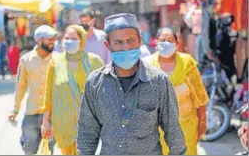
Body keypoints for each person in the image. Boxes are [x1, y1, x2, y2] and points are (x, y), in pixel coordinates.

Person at [77, 13, 187, 155]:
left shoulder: (159, 81)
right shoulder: (95, 82)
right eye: (118, 42)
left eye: (131, 40)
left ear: (140, 40)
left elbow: (174, 132)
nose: (126, 47)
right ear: (107, 45)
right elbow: (87, 132)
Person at [143, 27, 209, 155]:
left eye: (170, 40)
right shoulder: (147, 65)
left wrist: (202, 122)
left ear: (176, 43)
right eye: (162, 40)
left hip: (186, 127)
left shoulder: (187, 62)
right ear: (155, 42)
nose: (166, 43)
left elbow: (200, 95)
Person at [41, 25, 104, 155]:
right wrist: (45, 123)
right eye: (67, 37)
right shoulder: (55, 62)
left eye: (73, 38)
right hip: (64, 124)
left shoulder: (94, 61)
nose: (69, 40)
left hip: (89, 124)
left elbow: (105, 91)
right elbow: (49, 94)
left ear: (81, 40)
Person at [8, 25, 57, 155]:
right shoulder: (26, 60)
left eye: (53, 38)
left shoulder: (58, 59)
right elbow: (20, 86)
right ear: (39, 40)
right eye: (49, 39)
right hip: (31, 113)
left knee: (48, 150)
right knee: (29, 149)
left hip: (52, 114)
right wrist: (15, 109)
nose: (53, 42)